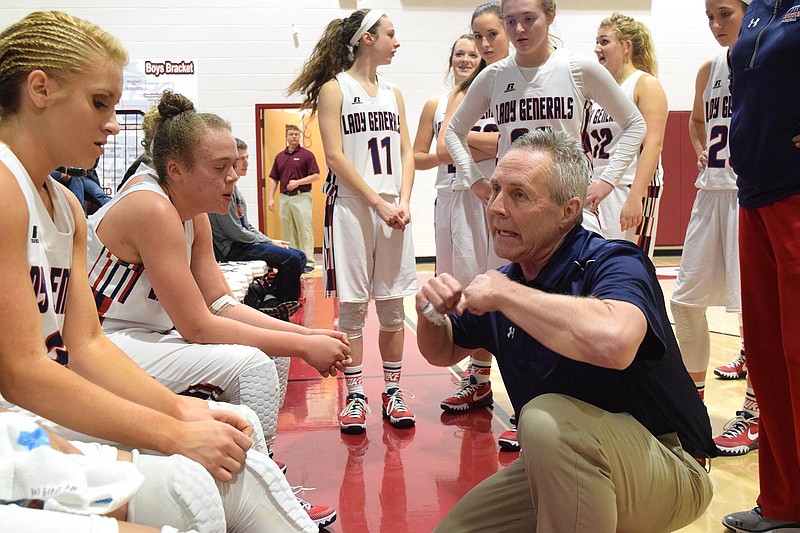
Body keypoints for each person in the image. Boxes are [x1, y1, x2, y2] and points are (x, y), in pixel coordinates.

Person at [0, 10, 322, 532]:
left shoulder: (64, 204)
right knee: (194, 485)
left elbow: (85, 346)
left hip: (58, 390)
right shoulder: (7, 185)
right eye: (99, 102)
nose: (111, 121)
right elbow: (22, 372)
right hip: (21, 419)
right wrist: (171, 428)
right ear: (40, 89)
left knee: (228, 452)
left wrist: (178, 411)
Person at [417, 130, 715, 531]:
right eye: (496, 190)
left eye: (519, 195)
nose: (496, 207)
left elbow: (615, 342)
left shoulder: (613, 262)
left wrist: (506, 295)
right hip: (569, 455)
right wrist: (429, 314)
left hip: (669, 463)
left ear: (567, 210)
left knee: (546, 419)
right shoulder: (511, 282)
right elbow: (443, 351)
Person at [86, 90, 347, 527]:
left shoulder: (194, 209)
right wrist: (305, 347)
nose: (233, 177)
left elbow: (221, 303)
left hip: (140, 335)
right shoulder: (152, 207)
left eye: (234, 165)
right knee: (251, 366)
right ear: (176, 170)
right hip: (100, 341)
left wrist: (305, 336)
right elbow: (199, 327)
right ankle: (256, 494)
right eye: (220, 168)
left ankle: (263, 477)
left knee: (274, 355)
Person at [443, 0, 645, 452]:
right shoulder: (494, 76)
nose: (517, 29)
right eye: (510, 21)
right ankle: (525, 407)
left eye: (527, 19)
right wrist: (475, 179)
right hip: (515, 215)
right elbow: (453, 132)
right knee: (516, 307)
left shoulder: (577, 68)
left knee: (568, 305)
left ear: (550, 16)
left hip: (563, 211)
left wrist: (607, 181)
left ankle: (579, 407)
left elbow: (634, 123)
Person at [287, 9, 418, 435]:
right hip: (351, 208)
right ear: (366, 38)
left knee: (394, 308)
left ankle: (393, 392)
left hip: (394, 209)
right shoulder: (334, 89)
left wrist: (405, 200)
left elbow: (405, 154)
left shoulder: (394, 93)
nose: (397, 42)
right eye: (391, 34)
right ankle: (356, 394)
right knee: (353, 311)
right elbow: (335, 158)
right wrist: (377, 203)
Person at [670, 0, 760, 461]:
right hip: (711, 193)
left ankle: (755, 408)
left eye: (725, 13)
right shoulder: (710, 67)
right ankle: (694, 402)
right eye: (709, 16)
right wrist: (701, 149)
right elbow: (696, 120)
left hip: (753, 196)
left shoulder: (770, 56)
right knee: (684, 303)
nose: (715, 25)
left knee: (755, 312)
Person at [723, 0, 800, 529]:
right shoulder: (759, 11)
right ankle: (783, 501)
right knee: (769, 357)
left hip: (797, 196)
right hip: (754, 196)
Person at [428, 6, 510, 443]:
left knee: (520, 292)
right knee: (473, 290)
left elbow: (507, 141)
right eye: (475, 39)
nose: (480, 47)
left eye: (488, 36)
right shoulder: (471, 89)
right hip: (472, 195)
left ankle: (526, 392)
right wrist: (487, 147)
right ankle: (479, 378)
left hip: (516, 197)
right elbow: (445, 145)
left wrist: (488, 145)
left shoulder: (526, 76)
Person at [585, 13, 667, 257]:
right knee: (598, 260)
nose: (597, 48)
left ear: (626, 45)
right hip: (599, 186)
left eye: (604, 41)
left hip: (632, 185)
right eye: (597, 41)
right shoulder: (601, 90)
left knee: (630, 263)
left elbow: (654, 143)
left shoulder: (645, 84)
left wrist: (635, 197)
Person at [210, 137, 307, 310]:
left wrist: (268, 240)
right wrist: (268, 242)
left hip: (243, 244)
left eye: (247, 157)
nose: (246, 163)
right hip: (233, 248)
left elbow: (247, 225)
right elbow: (236, 232)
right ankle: (280, 303)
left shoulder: (236, 190)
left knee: (300, 256)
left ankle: (270, 297)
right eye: (241, 159)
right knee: (291, 258)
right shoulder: (223, 190)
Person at [267, 125, 321, 273]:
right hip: (285, 198)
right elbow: (273, 178)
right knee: (288, 231)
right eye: (291, 134)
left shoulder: (307, 155)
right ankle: (294, 260)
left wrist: (297, 182)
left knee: (304, 230)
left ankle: (308, 261)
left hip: (301, 197)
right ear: (286, 136)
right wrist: (270, 198)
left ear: (299, 136)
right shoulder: (280, 157)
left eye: (296, 134)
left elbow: (316, 175)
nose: (294, 137)